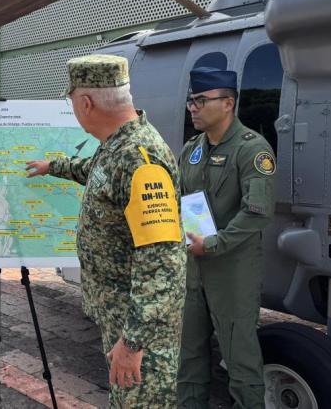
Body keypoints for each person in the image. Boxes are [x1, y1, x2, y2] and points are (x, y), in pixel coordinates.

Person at [26, 55, 186, 407]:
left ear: (85, 102)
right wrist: (53, 166)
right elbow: (96, 173)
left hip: (140, 333)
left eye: (71, 100)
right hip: (120, 317)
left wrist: (133, 342)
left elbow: (164, 263)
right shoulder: (116, 147)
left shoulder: (141, 160)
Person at [177, 67, 277, 409]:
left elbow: (258, 212)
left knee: (241, 360)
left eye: (201, 100)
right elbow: (178, 196)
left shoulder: (252, 149)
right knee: (187, 356)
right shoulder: (193, 149)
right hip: (194, 268)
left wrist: (215, 244)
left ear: (227, 104)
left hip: (232, 271)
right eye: (191, 100)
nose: (193, 107)